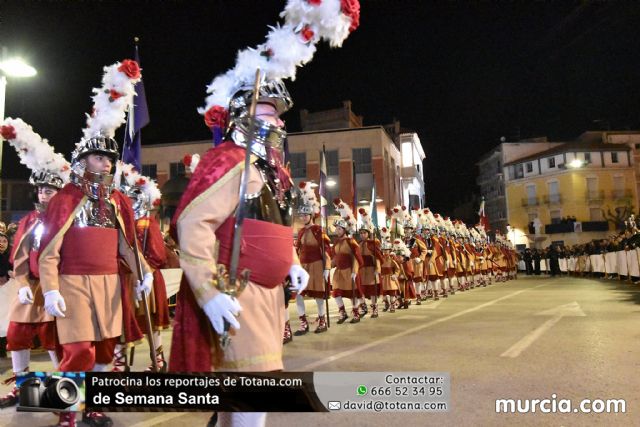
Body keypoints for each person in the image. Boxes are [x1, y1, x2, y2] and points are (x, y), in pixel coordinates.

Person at [38, 59, 152, 427]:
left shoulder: (118, 200)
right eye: (96, 157)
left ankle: (91, 406)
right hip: (72, 284)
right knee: (78, 351)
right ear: (82, 159)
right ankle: (65, 412)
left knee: (105, 349)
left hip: (109, 285)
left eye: (107, 158)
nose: (103, 163)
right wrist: (51, 288)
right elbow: (49, 249)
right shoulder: (65, 197)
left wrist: (144, 273)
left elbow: (127, 246)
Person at [0, 118, 68, 407]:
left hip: (56, 288)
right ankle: (22, 387)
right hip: (31, 288)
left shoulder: (68, 220)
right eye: (41, 190)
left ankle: (65, 388)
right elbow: (19, 254)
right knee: (16, 334)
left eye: (49, 190)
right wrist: (23, 281)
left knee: (54, 340)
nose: (43, 194)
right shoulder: (29, 219)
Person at [293, 181, 332, 335]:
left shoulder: (318, 231)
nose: (302, 217)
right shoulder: (301, 232)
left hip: (316, 266)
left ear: (311, 215)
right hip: (303, 266)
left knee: (318, 296)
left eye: (305, 214)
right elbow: (297, 250)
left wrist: (327, 267)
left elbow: (326, 250)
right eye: (301, 215)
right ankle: (303, 323)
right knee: (299, 295)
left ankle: (322, 320)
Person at [331, 199, 364, 323]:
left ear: (344, 230)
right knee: (336, 293)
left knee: (352, 294)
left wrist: (355, 271)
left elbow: (356, 257)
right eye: (336, 229)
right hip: (339, 272)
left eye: (339, 229)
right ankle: (342, 312)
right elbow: (335, 257)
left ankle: (355, 313)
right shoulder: (336, 243)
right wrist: (327, 266)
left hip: (349, 271)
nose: (336, 231)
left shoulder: (351, 242)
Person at [358, 207, 383, 317]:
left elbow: (377, 257)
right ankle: (363, 307)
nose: (363, 235)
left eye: (364, 233)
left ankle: (374, 308)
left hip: (371, 270)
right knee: (360, 289)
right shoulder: (358, 244)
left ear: (368, 233)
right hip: (362, 270)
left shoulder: (373, 243)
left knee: (373, 290)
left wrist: (377, 269)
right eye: (361, 233)